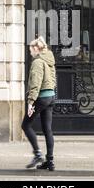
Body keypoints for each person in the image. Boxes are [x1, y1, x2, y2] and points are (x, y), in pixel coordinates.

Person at [22, 36, 56, 171]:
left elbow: (35, 83)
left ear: (36, 49)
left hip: (41, 97)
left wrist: (31, 102)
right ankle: (50, 161)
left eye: (31, 50)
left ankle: (37, 154)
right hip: (50, 97)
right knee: (47, 129)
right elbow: (53, 79)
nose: (30, 53)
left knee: (25, 125)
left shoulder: (37, 62)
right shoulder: (49, 59)